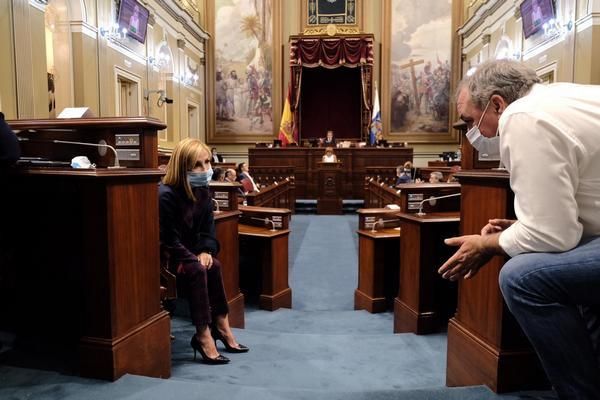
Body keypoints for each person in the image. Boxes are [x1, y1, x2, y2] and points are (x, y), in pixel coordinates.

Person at [438, 59, 600, 399]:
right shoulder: (560, 96)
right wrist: (521, 228)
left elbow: (552, 236)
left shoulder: (522, 116)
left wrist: (488, 245)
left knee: (522, 277)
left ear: (497, 103)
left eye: (470, 121)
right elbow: (569, 218)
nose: (472, 135)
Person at [159, 138, 249, 365]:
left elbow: (208, 231)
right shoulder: (166, 195)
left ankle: (221, 325)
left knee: (214, 264)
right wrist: (194, 258)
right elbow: (168, 240)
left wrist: (207, 250)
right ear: (183, 167)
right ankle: (203, 334)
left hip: (189, 253)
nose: (206, 169)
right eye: (198, 164)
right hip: (168, 258)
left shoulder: (202, 192)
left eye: (207, 162)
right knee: (198, 269)